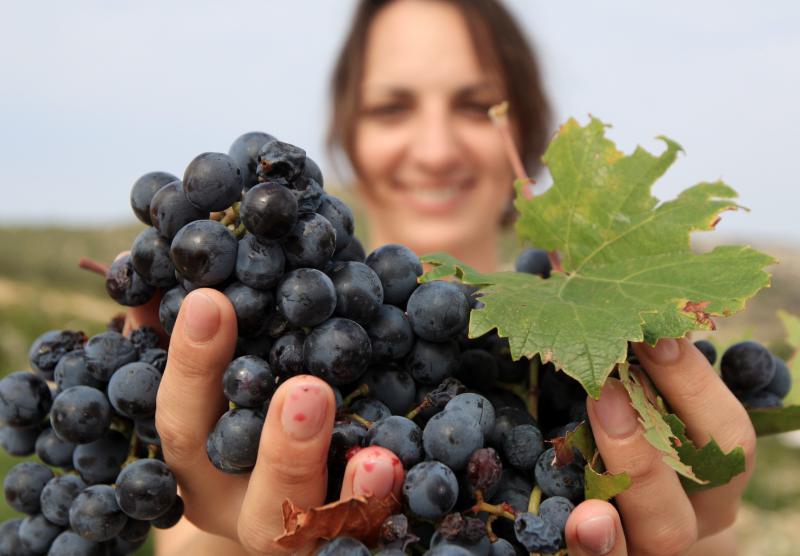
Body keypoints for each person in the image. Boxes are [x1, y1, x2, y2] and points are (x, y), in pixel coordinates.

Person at [135, 1, 755, 554]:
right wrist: (222, 538)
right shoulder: (268, 339)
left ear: (528, 128)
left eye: (475, 105)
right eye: (391, 107)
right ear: (347, 135)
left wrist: (701, 536)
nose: (435, 149)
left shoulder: (582, 347)